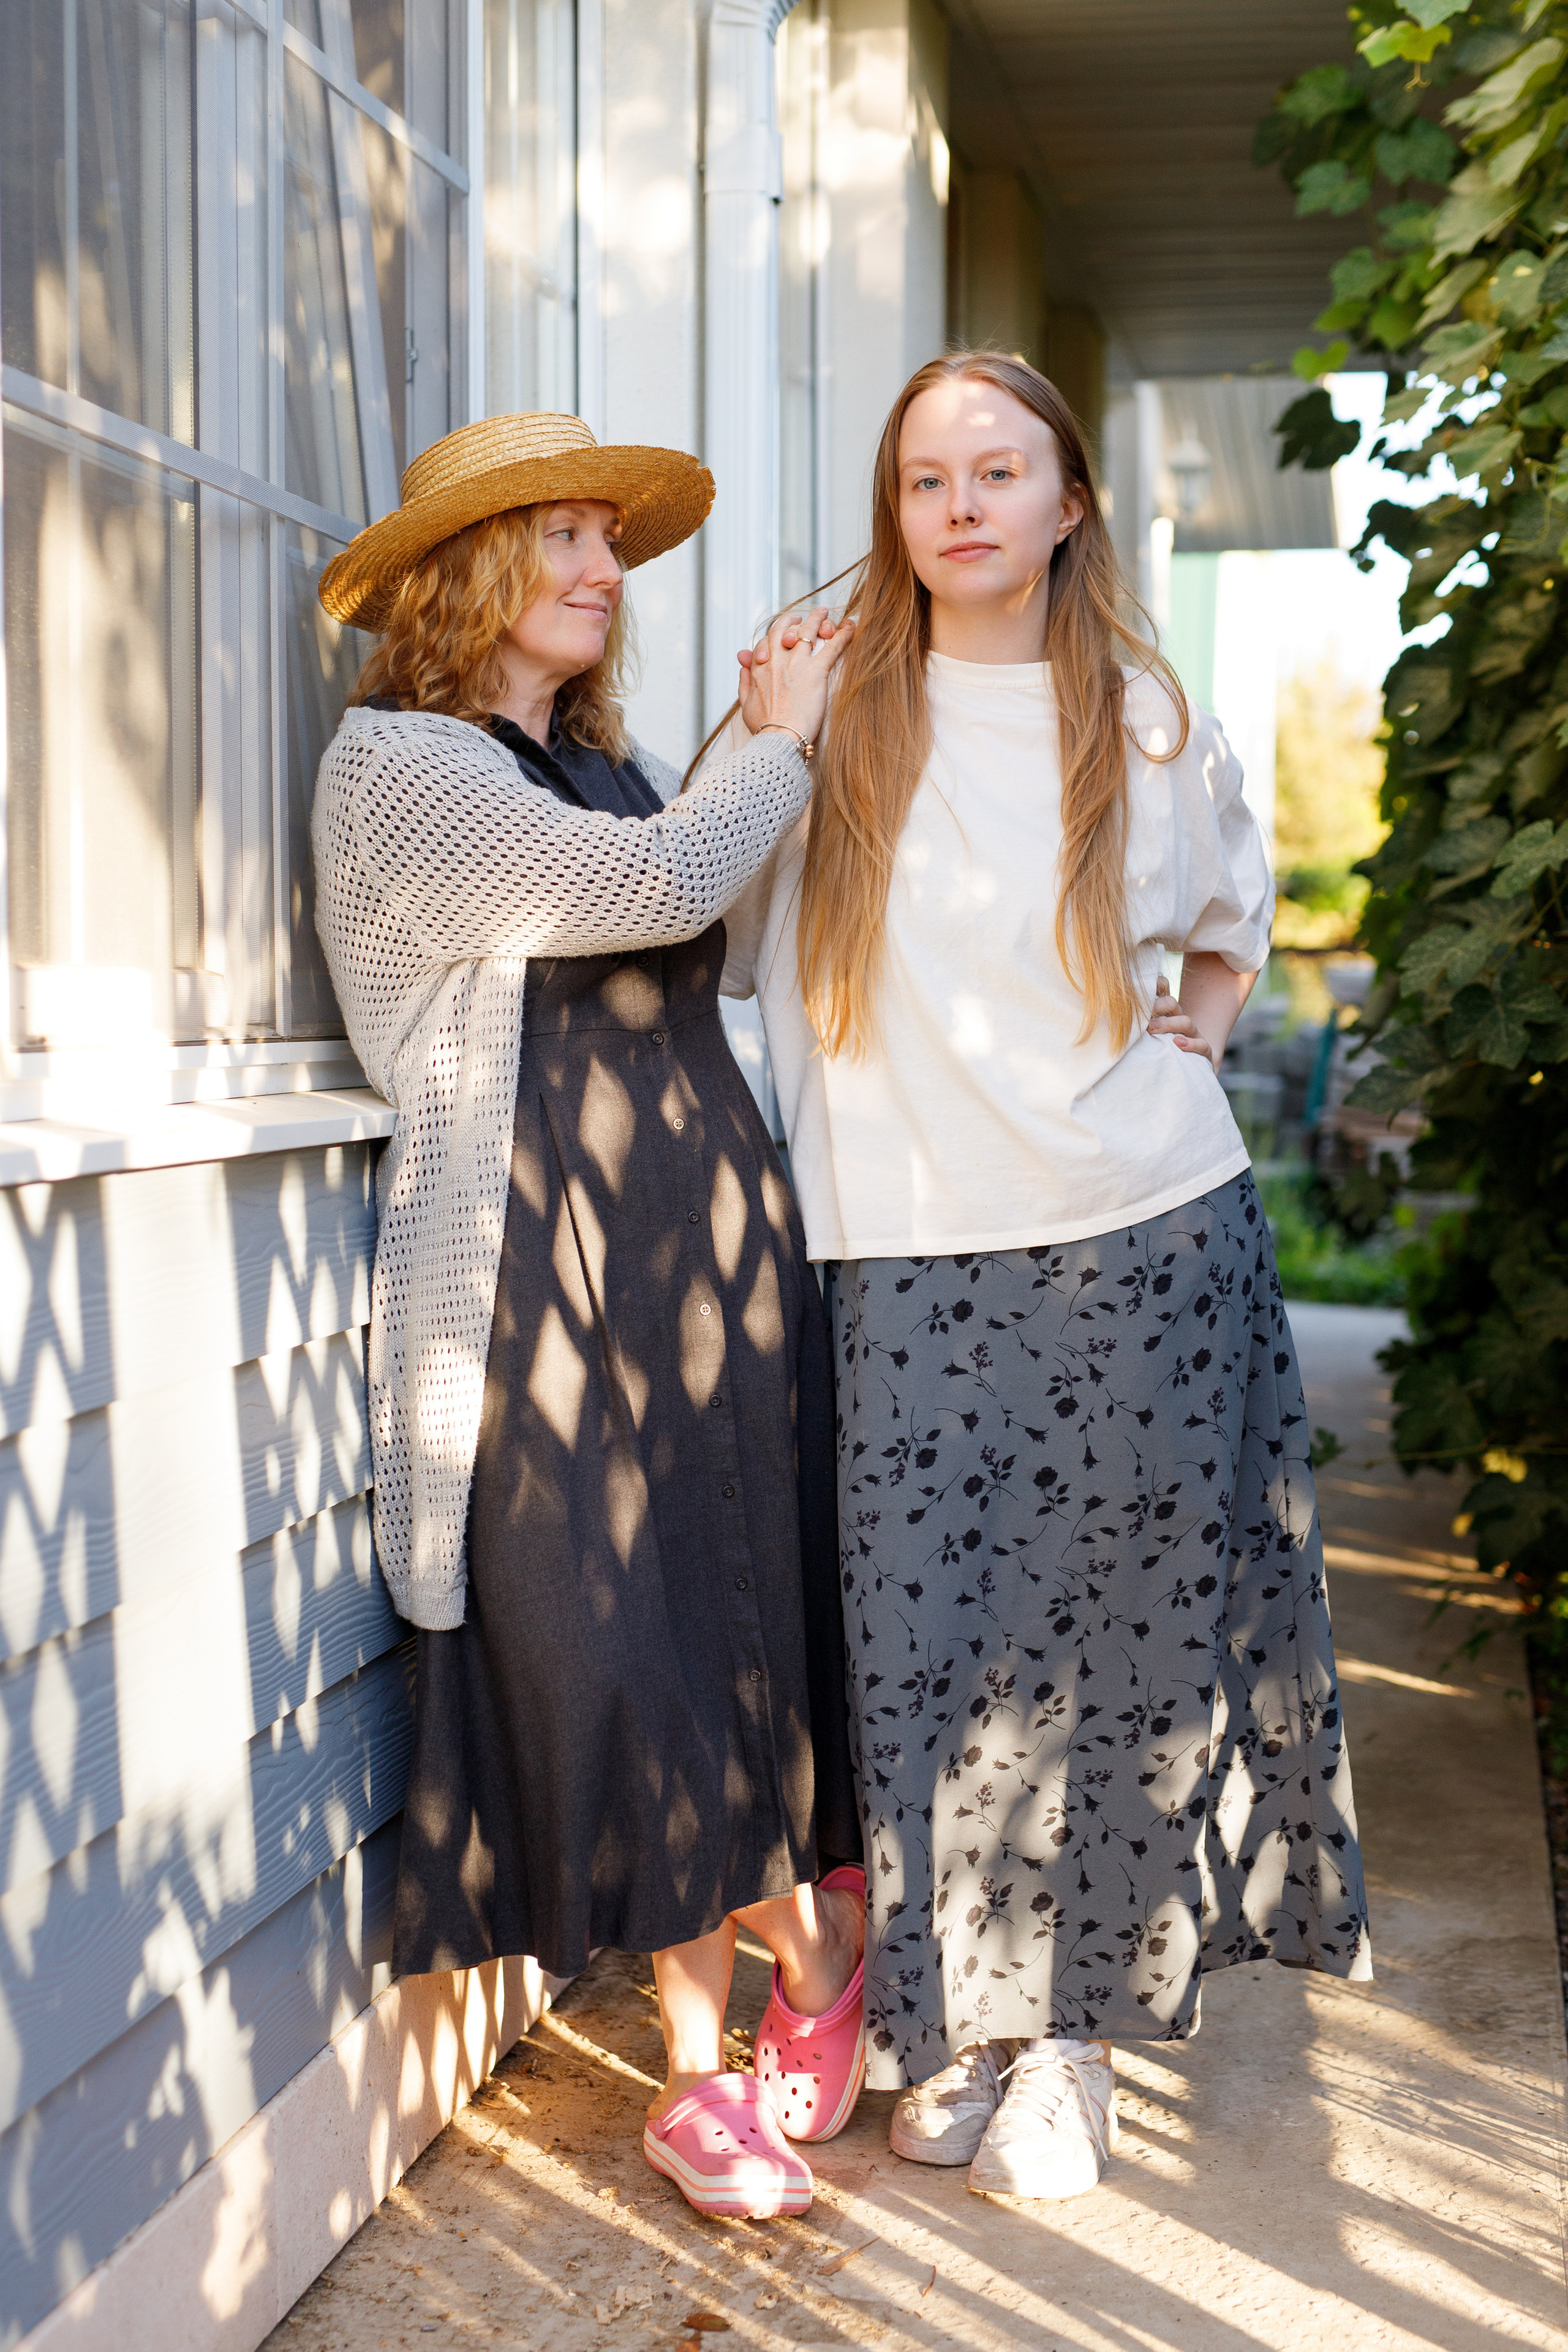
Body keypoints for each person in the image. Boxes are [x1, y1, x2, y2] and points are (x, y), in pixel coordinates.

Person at [717, 353, 1371, 2203]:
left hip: (1145, 1234)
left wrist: (1200, 1038)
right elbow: (710, 909)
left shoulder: (1146, 715)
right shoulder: (832, 698)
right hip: (910, 1247)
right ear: (895, 513)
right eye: (927, 480)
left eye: (1000, 470)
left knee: (1115, 1655)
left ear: (1070, 500)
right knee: (931, 1656)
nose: (964, 506)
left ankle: (1074, 2047)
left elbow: (1231, 930)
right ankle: (965, 2020)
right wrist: (767, 733)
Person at [311, 411, 869, 2222]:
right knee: (607, 1647)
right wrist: (774, 751)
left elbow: (705, 878)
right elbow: (646, 893)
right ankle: (807, 1956)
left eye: (608, 545)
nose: (599, 571)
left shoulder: (612, 771)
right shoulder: (398, 764)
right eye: (556, 537)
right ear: (461, 574)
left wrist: (758, 735)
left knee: (724, 1631)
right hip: (539, 1256)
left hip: (702, 1243)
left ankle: (720, 2062)